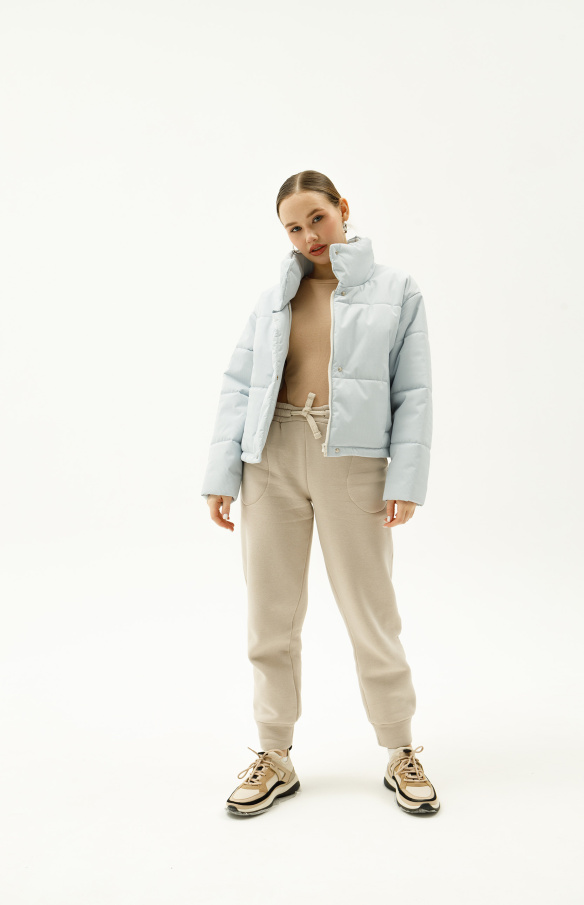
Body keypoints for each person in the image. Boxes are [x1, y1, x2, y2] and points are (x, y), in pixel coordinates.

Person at [201, 170, 439, 817]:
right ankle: (273, 754)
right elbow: (239, 383)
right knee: (270, 615)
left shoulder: (396, 290)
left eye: (317, 218)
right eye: (294, 227)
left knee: (371, 611)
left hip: (351, 461)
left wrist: (405, 480)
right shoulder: (275, 295)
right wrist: (222, 475)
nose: (309, 235)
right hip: (270, 459)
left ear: (342, 209)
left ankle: (401, 748)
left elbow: (414, 393)